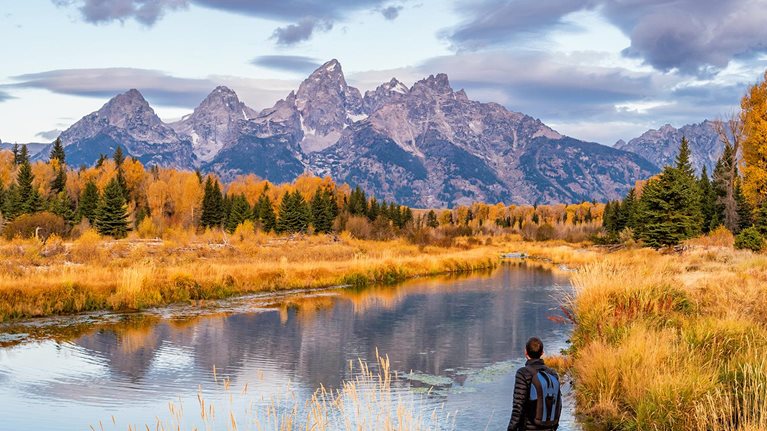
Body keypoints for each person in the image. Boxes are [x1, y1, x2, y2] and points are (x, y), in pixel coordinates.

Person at [507, 337, 562, 431]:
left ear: (526, 352)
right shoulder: (552, 373)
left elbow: (518, 407)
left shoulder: (523, 373)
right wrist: (554, 426)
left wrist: (511, 429)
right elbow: (559, 404)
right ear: (542, 353)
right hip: (550, 428)